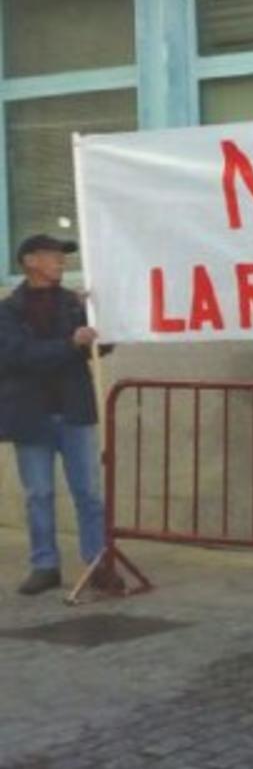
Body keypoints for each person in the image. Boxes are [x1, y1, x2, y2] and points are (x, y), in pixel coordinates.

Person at [0, 235, 108, 596]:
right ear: (30, 261)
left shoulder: (75, 305)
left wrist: (104, 321)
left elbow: (98, 347)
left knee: (89, 492)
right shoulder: (8, 311)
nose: (61, 261)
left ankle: (97, 561)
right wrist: (69, 344)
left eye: (62, 256)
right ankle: (44, 564)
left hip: (74, 410)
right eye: (52, 255)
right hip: (32, 416)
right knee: (39, 493)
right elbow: (17, 355)